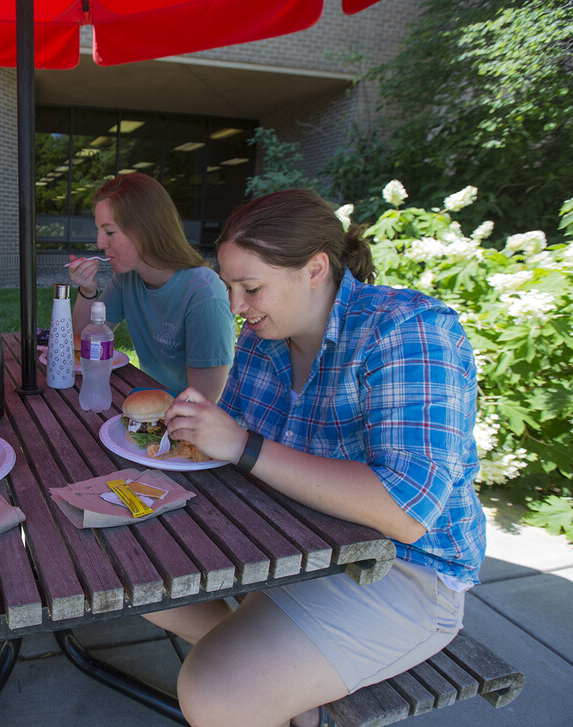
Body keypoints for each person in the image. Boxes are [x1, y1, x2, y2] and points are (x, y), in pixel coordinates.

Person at [149, 189, 486, 727]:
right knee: (134, 574)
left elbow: (406, 511)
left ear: (315, 269)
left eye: (251, 287)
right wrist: (198, 436)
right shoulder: (266, 337)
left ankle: (279, 685)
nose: (236, 307)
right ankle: (290, 685)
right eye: (231, 288)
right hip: (292, 543)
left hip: (401, 569)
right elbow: (232, 453)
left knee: (214, 693)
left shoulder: (407, 330)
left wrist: (240, 444)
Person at [66, 172, 234, 401]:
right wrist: (87, 290)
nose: (99, 242)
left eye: (109, 231)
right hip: (149, 397)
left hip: (194, 420)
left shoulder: (204, 294)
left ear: (146, 230)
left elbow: (203, 401)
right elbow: (81, 340)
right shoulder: (127, 278)